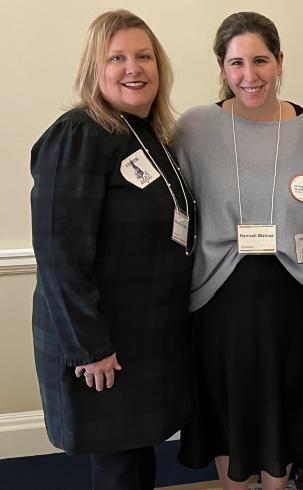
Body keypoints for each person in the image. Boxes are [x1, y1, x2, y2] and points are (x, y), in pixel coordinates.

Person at [172, 12, 303, 490]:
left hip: (293, 296)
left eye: (261, 60)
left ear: (280, 60)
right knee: (226, 409)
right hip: (217, 298)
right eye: (237, 63)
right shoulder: (194, 128)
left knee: (281, 408)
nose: (251, 76)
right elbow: (172, 211)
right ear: (223, 68)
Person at [30, 10, 196, 490]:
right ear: (94, 69)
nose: (134, 68)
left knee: (134, 460)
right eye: (117, 57)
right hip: (103, 345)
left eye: (144, 56)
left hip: (141, 340)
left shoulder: (146, 136)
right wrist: (90, 347)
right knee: (119, 469)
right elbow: (60, 255)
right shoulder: (79, 135)